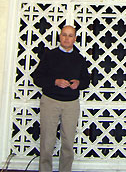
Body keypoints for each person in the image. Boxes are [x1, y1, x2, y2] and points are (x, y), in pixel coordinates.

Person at [31, 25, 90, 172]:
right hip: (50, 102)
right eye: (64, 35)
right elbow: (37, 78)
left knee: (68, 142)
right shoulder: (49, 55)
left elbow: (86, 81)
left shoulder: (79, 59)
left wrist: (79, 83)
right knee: (47, 141)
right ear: (60, 36)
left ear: (75, 39)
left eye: (70, 35)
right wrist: (54, 81)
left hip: (71, 104)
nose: (67, 38)